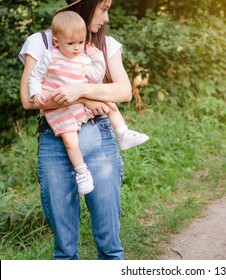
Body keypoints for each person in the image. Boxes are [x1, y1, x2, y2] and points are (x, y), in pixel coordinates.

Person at [19, 0, 131, 260]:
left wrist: (79, 90)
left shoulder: (106, 45)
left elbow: (123, 91)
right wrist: (87, 98)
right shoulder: (41, 42)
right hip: (55, 139)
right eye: (103, 9)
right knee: (65, 249)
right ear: (86, 4)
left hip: (98, 135)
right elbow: (28, 98)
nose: (106, 18)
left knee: (110, 244)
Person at [28, 11, 149, 195]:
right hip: (61, 110)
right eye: (71, 43)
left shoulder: (82, 57)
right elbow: (34, 77)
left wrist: (96, 57)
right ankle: (82, 173)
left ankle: (123, 133)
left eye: (81, 42)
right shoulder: (49, 56)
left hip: (82, 105)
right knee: (71, 142)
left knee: (109, 103)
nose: (77, 47)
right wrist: (36, 92)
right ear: (56, 42)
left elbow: (96, 76)